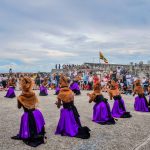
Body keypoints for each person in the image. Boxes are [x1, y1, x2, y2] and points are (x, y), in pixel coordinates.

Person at [11, 76, 46, 147]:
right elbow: (36, 103)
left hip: (27, 114)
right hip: (36, 113)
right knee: (37, 125)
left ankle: (33, 135)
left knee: (26, 120)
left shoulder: (20, 97)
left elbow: (19, 107)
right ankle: (40, 134)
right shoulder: (33, 94)